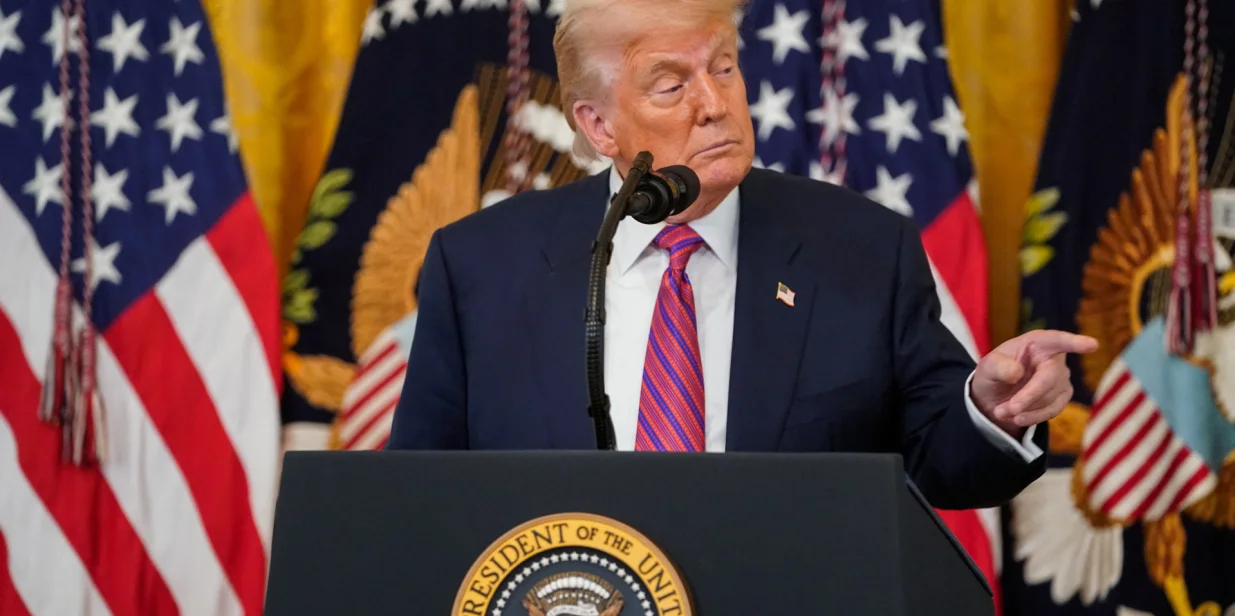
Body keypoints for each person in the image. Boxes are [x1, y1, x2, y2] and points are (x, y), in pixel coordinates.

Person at [387, 0, 1098, 510]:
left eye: (723, 69)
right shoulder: (481, 265)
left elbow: (944, 467)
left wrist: (991, 409)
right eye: (670, 84)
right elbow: (420, 500)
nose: (713, 103)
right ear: (598, 125)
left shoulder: (860, 248)